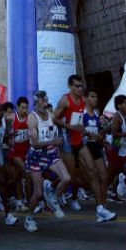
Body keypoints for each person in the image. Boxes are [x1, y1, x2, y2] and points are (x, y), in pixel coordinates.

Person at [23, 90, 69, 232]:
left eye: (46, 100)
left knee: (66, 178)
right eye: (41, 101)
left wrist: (75, 128)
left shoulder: (50, 115)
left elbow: (61, 123)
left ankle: (53, 199)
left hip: (51, 153)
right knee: (37, 193)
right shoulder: (32, 118)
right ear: (36, 103)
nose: (44, 103)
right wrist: (53, 141)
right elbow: (35, 143)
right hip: (36, 155)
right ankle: (29, 218)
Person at [79, 91, 116, 222]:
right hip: (85, 147)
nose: (95, 99)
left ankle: (103, 207)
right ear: (86, 98)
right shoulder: (81, 113)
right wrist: (91, 135)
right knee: (92, 176)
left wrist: (103, 140)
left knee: (104, 176)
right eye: (92, 97)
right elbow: (79, 130)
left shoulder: (96, 113)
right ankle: (99, 207)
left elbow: (99, 130)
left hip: (96, 146)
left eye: (96, 96)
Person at [52, 75, 87, 211]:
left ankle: (73, 198)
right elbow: (54, 118)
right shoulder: (64, 100)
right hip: (67, 139)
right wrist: (68, 126)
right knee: (72, 175)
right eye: (76, 86)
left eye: (80, 86)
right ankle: (52, 189)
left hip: (79, 139)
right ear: (70, 86)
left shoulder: (83, 100)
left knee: (79, 172)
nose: (79, 89)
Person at [5, 97, 31, 214]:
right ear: (17, 107)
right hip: (14, 152)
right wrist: (10, 134)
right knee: (25, 173)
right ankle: (26, 200)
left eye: (26, 107)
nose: (24, 110)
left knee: (17, 178)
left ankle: (19, 201)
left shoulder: (30, 118)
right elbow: (3, 132)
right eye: (22, 107)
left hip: (26, 152)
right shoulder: (10, 118)